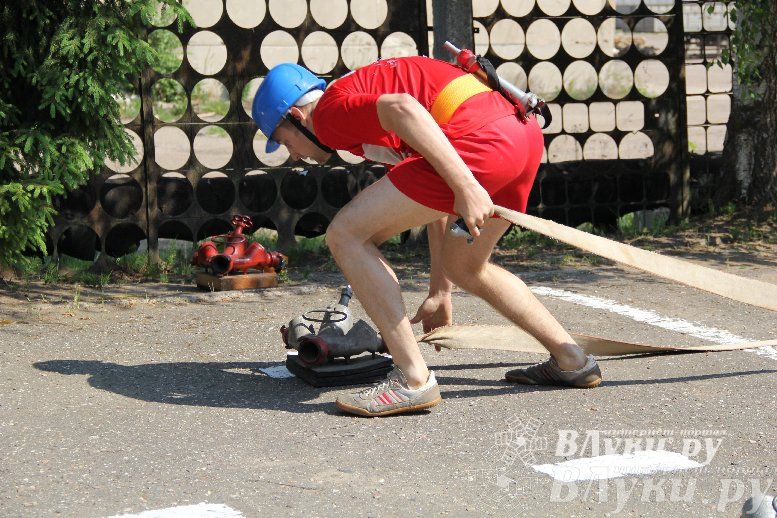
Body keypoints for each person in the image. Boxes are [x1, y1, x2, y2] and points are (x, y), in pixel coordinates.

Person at [252, 56, 602, 417]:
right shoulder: (358, 99)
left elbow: (402, 108)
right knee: (466, 265)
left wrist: (465, 183)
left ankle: (413, 379)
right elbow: (430, 190)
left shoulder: (328, 115)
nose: (293, 155)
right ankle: (571, 359)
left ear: (297, 116)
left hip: (482, 143)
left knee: (345, 234)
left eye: (285, 141)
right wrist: (440, 290)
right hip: (520, 136)